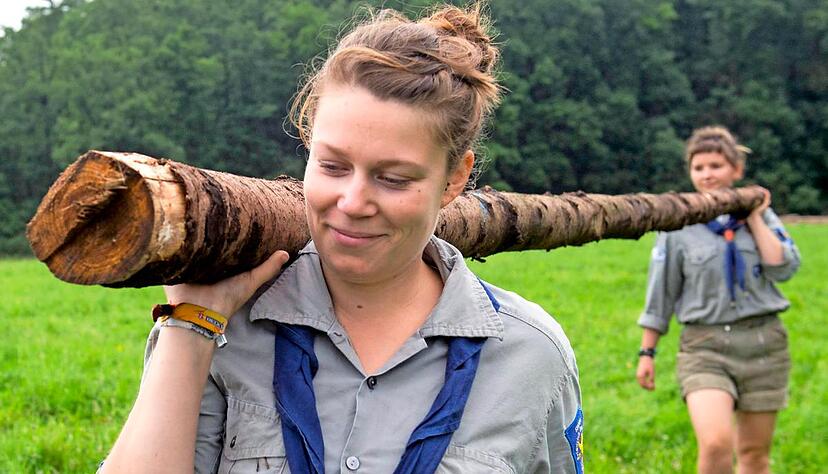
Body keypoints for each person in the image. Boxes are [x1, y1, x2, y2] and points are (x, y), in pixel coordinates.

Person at [100, 4, 582, 473]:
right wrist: (191, 326)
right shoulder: (226, 326)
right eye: (332, 166)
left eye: (393, 178)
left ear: (455, 179)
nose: (352, 202)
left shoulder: (531, 355)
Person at [635, 126, 800, 474]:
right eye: (699, 167)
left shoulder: (763, 217)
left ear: (736, 170)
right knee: (715, 445)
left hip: (764, 345)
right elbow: (660, 293)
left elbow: (782, 267)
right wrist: (647, 352)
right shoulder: (676, 225)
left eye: (716, 165)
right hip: (705, 346)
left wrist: (753, 215)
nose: (707, 174)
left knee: (755, 455)